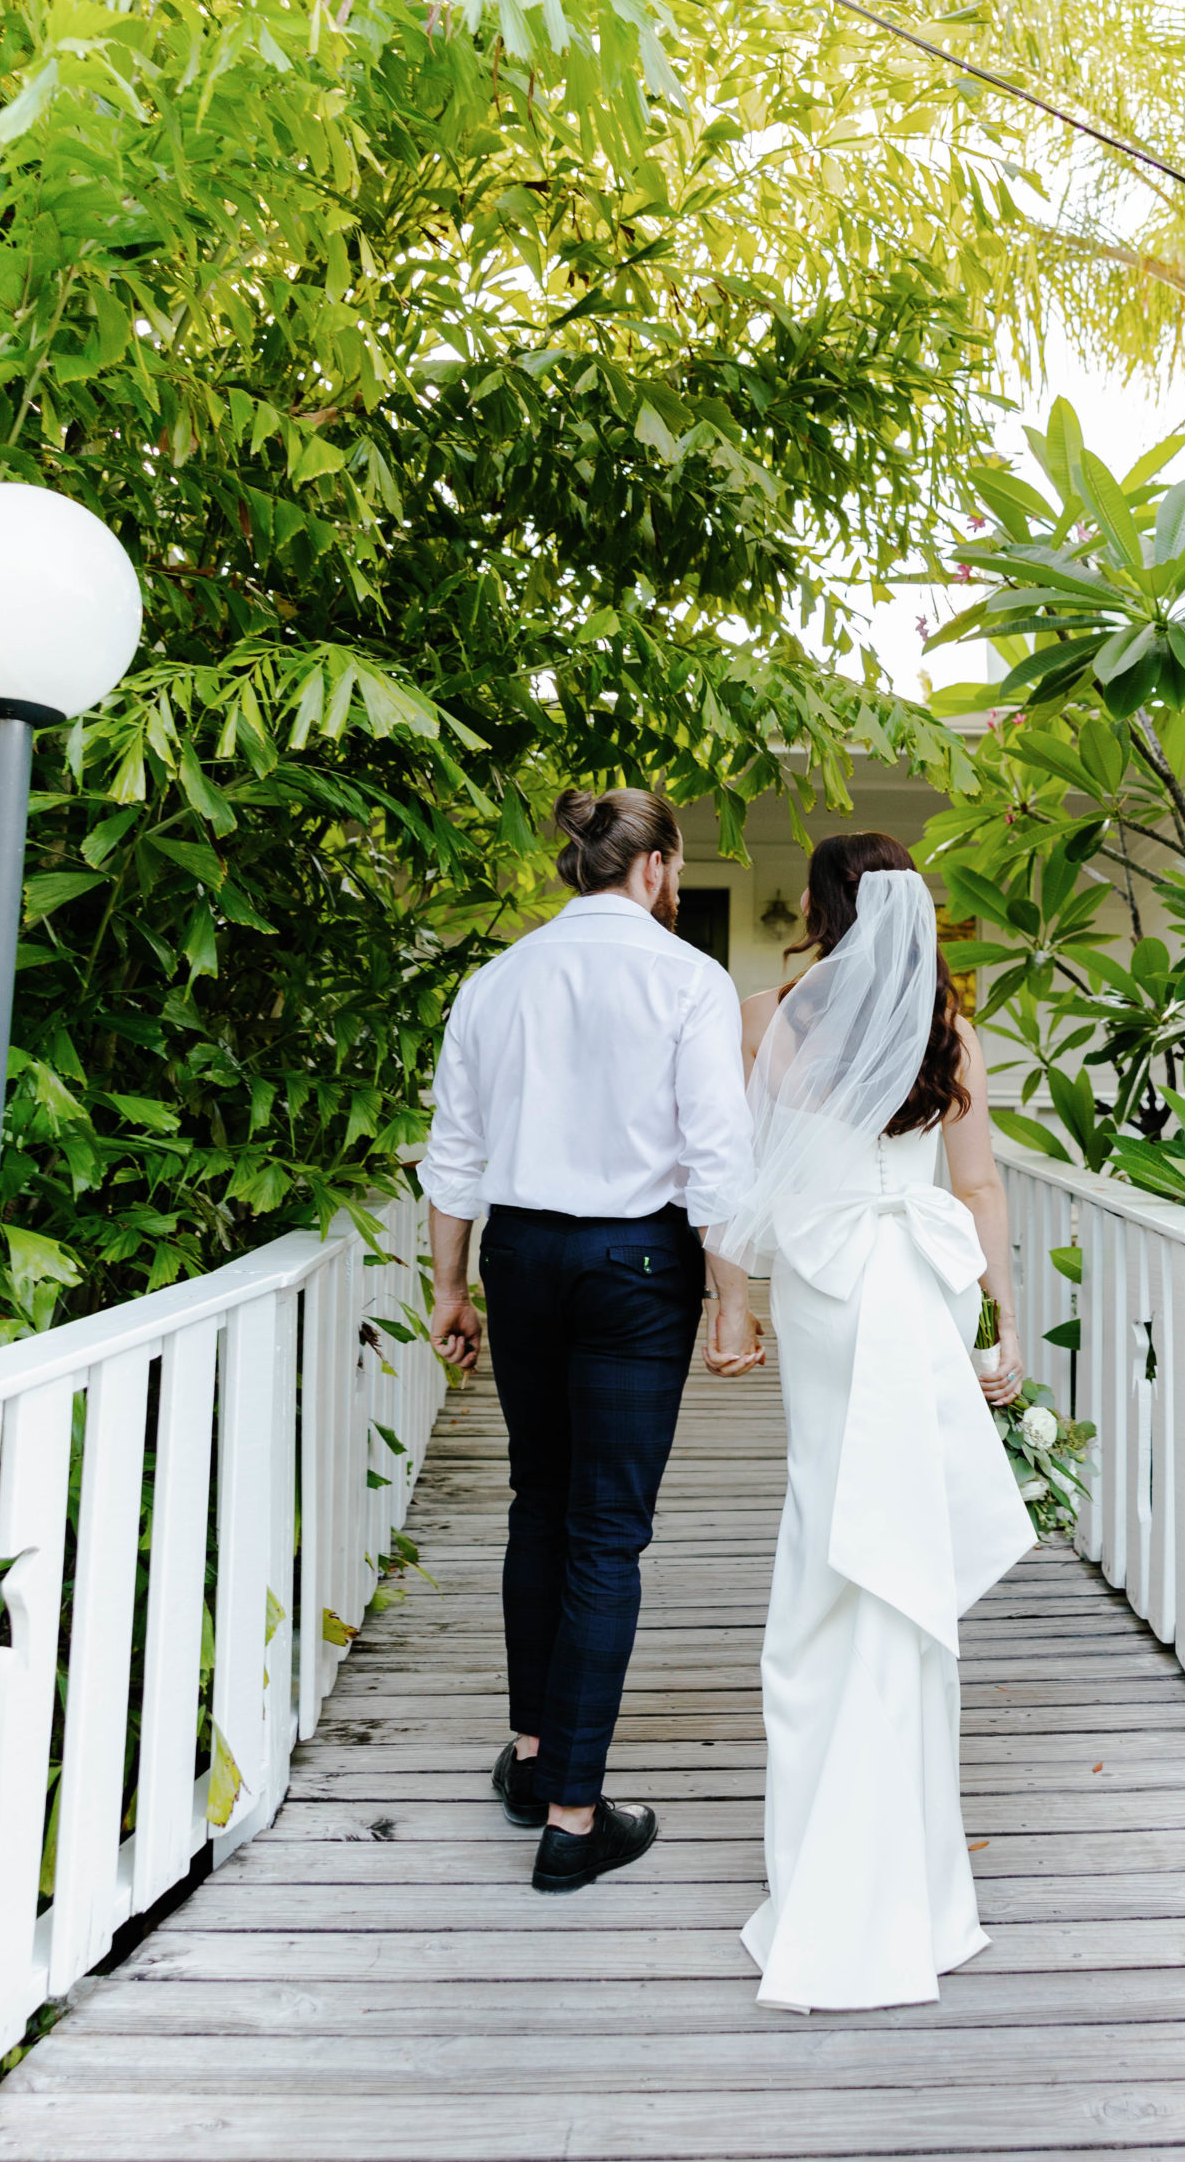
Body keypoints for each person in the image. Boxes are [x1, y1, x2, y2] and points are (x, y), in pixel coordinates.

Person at [709, 832, 1036, 2010]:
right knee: (907, 1543)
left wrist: (728, 1305)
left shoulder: (771, 1017)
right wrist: (1002, 1317)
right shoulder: (949, 1028)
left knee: (825, 1544)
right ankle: (917, 1886)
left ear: (818, 906)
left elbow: (740, 1176)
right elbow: (981, 1182)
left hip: (831, 1290)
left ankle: (821, 1872)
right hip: (921, 1287)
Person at [420, 788, 763, 1896]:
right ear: (657, 865)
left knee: (539, 1501)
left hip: (517, 1259)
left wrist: (447, 1288)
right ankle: (571, 1816)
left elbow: (454, 1152)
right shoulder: (686, 980)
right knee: (605, 1533)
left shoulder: (496, 981)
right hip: (635, 1265)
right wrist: (731, 1298)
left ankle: (530, 1759)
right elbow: (715, 1157)